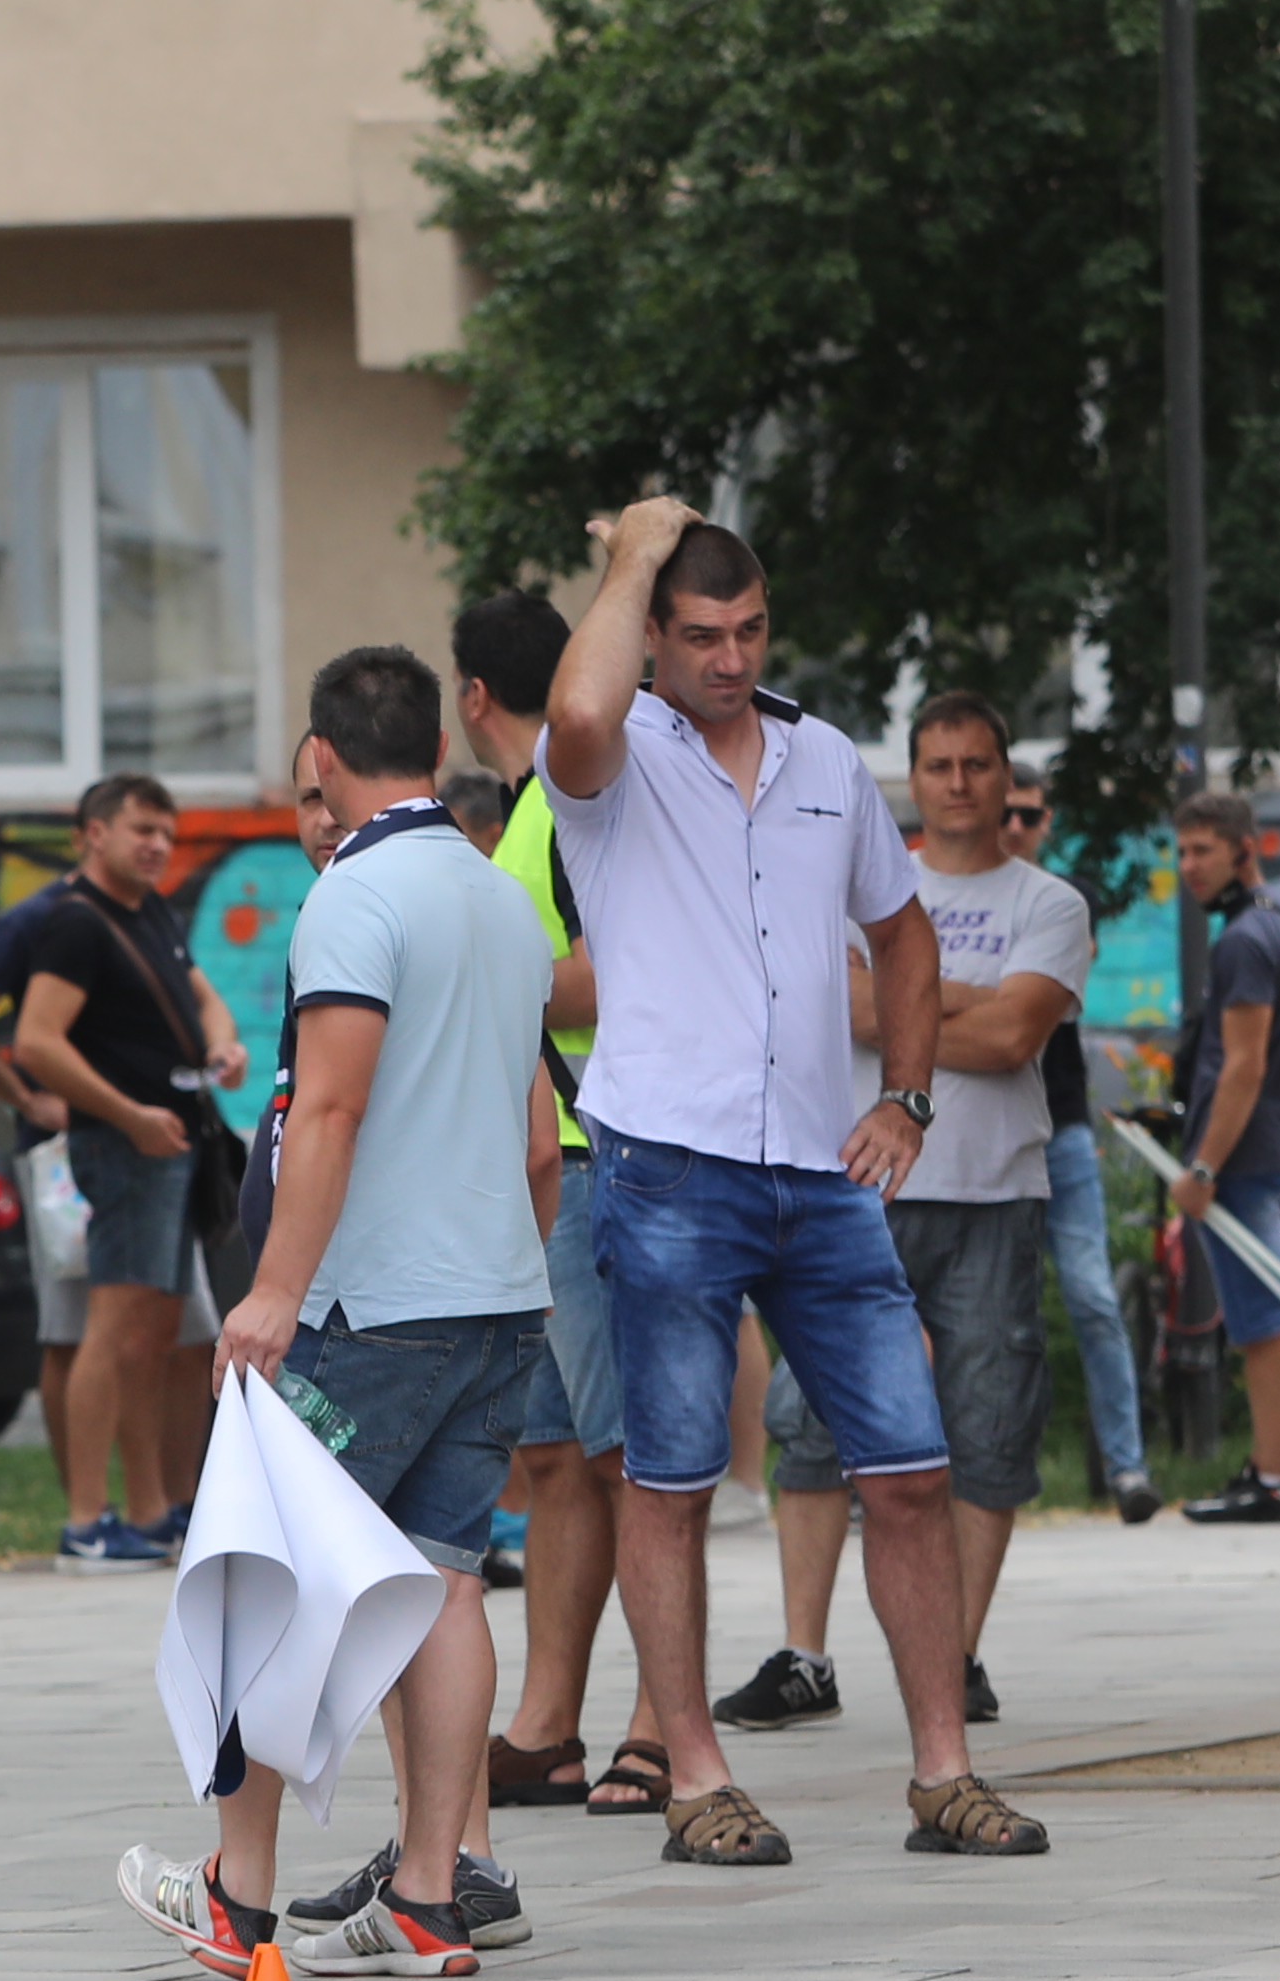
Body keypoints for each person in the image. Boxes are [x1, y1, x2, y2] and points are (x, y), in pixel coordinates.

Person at [538, 498, 1038, 1865]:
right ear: (652, 635)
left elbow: (903, 932)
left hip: (820, 1172)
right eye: (700, 635)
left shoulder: (822, 757)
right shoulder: (614, 751)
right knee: (675, 1479)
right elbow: (578, 713)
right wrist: (635, 548)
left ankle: (944, 1771)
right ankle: (695, 1774)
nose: (730, 657)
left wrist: (910, 1095)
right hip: (667, 1168)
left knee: (913, 1468)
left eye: (750, 630)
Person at [157, 642, 558, 1977]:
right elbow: (539, 1138)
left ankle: (238, 1897)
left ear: (322, 759)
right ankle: (435, 1895)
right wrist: (506, 1260)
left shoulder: (353, 897)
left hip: (367, 1308)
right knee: (444, 1585)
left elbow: (325, 1104)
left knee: (263, 1577)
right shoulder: (505, 903)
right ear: (436, 745)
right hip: (499, 1296)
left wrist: (273, 1293)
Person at [754, 697, 1090, 1730]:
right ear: (912, 776)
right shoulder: (862, 891)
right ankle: (802, 1654)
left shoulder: (1052, 901)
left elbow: (1012, 1040)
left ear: (1005, 779)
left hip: (995, 1190)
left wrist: (905, 1001)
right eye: (938, 764)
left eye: (976, 764)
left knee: (990, 1421)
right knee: (809, 1419)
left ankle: (960, 1653)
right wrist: (961, 999)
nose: (956, 782)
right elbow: (837, 1011)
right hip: (860, 1182)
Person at [450, 593, 667, 1822]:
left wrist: (490, 976)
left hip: (594, 1157)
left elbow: (622, 963)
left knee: (627, 1458)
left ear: (475, 695)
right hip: (538, 1165)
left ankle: (654, 1721)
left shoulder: (569, 806)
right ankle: (546, 1726)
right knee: (553, 1459)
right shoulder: (536, 807)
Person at [0, 773, 238, 1566]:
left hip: (170, 1144)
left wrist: (221, 1045)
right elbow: (32, 1040)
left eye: (167, 835)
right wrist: (117, 1113)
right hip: (122, 1148)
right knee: (105, 1332)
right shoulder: (69, 923)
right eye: (141, 830)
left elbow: (202, 996)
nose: (157, 847)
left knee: (151, 1331)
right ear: (91, 833)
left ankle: (148, 1510)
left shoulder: (151, 911)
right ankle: (86, 1520)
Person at [1160, 789, 1280, 1524]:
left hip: (1246, 1158)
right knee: (1271, 1318)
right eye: (1182, 850)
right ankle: (1275, 1469)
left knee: (1261, 1323)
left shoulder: (1240, 942)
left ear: (1245, 848)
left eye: (1203, 850)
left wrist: (1202, 1168)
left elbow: (1243, 1067)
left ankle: (1275, 1476)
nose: (1188, 866)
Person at [1006, 768, 1161, 1522]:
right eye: (1005, 813)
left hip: (1060, 1125)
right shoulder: (947, 896)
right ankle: (990, 1470)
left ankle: (1128, 1467)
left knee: (1094, 1297)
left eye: (1028, 816)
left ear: (1047, 821)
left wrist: (985, 999)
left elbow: (1050, 1001)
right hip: (986, 1131)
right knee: (987, 1310)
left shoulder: (1065, 899)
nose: (1013, 828)